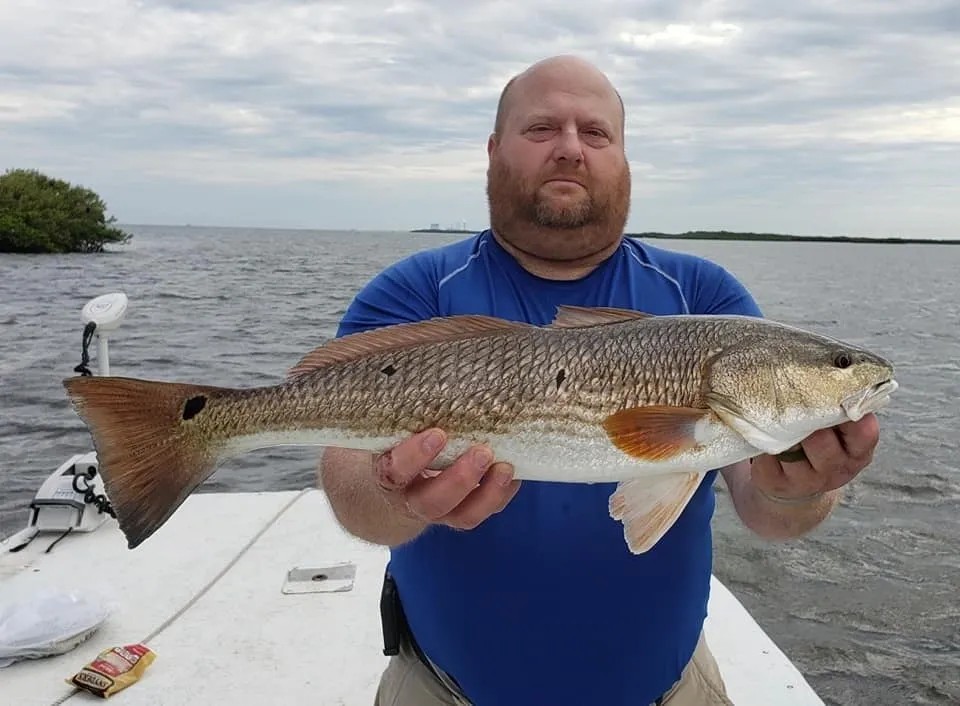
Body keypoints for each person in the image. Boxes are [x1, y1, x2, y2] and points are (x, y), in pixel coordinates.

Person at [319, 55, 882, 706]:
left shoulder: (704, 298)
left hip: (669, 689)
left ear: (624, 159)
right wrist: (394, 497)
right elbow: (346, 486)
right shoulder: (414, 293)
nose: (569, 149)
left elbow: (767, 510)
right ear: (494, 150)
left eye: (595, 133)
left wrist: (799, 492)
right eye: (541, 129)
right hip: (442, 689)